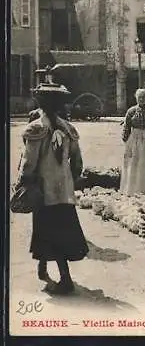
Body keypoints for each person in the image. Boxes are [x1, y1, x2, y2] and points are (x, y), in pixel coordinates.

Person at [15, 82, 88, 295]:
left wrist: (23, 182)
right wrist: (69, 180)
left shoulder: (36, 128)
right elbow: (78, 163)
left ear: (40, 102)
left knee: (48, 231)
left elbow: (29, 162)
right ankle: (43, 268)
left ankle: (66, 280)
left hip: (43, 190)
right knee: (61, 231)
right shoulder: (69, 129)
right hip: (63, 191)